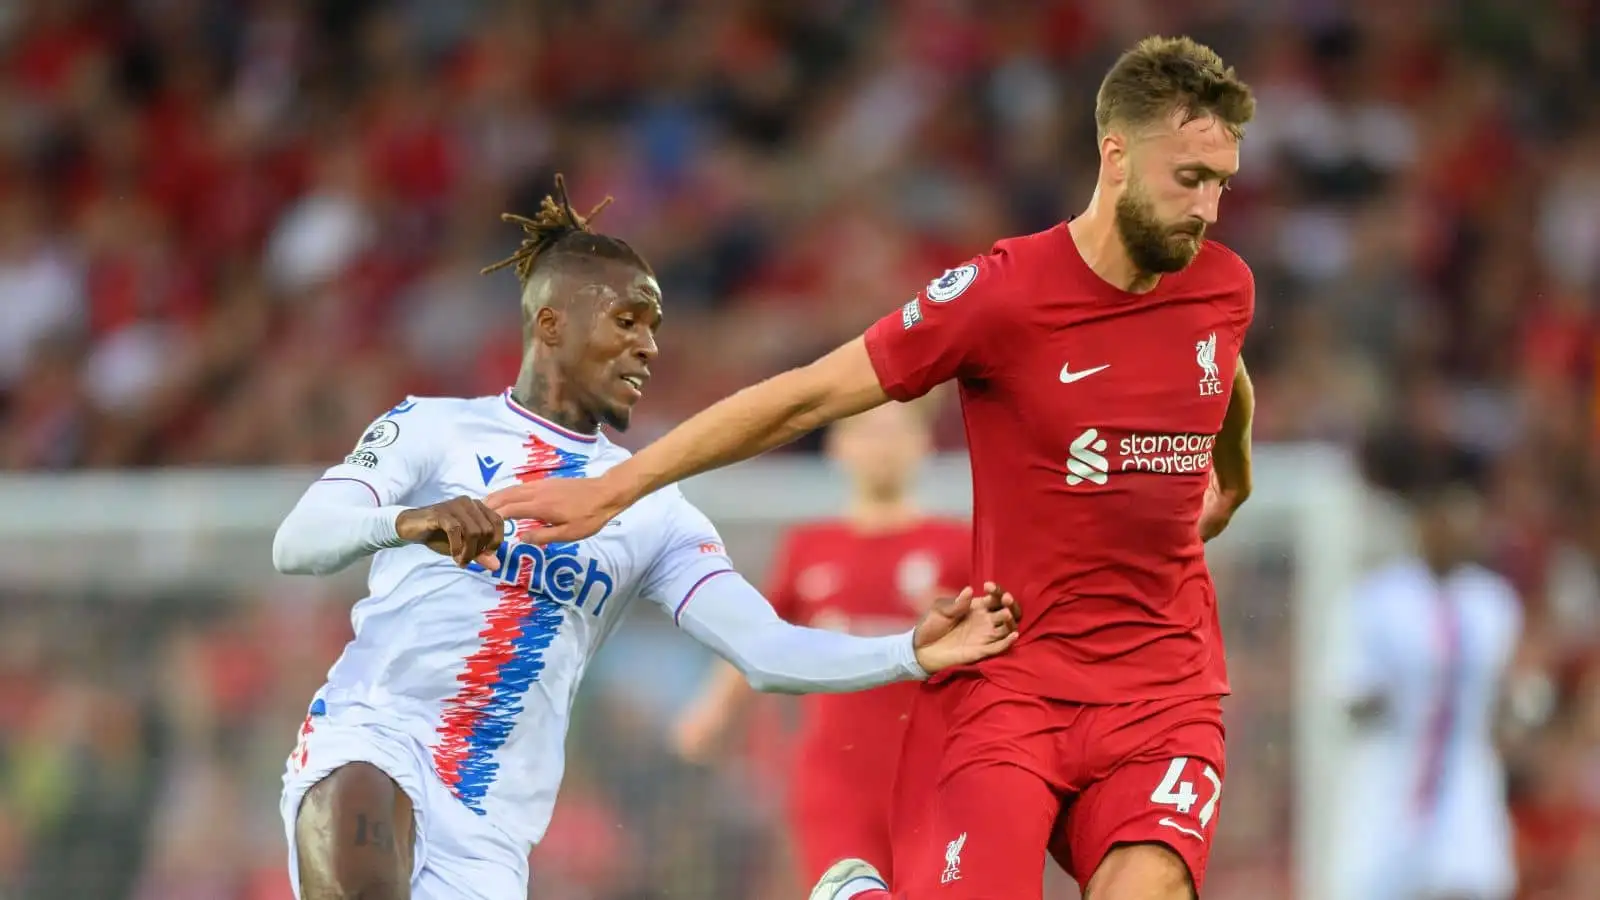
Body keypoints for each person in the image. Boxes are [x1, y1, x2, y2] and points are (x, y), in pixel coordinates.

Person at [485, 35, 1257, 900]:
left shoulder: (1221, 285)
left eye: (1221, 182)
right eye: (1188, 178)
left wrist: (1235, 475)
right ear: (1116, 155)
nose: (1208, 208)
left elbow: (1220, 368)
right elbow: (808, 396)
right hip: (1013, 686)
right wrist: (617, 485)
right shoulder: (1003, 293)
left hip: (1166, 693)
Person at [269, 177, 1021, 900]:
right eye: (627, 321)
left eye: (654, 329)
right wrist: (408, 522)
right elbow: (298, 542)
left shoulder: (656, 512)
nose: (648, 348)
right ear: (551, 323)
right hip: (371, 732)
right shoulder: (431, 427)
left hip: (489, 819)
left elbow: (765, 651)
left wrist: (909, 653)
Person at [671, 399, 970, 887]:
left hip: (935, 778)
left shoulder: (958, 547)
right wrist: (714, 711)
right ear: (840, 447)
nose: (883, 447)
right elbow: (763, 639)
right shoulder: (809, 547)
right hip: (836, 778)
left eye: (896, 433)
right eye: (869, 432)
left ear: (924, 444)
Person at [1335, 478, 1522, 900]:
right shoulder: (1379, 597)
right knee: (1376, 881)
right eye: (1443, 521)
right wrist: (1398, 695)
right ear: (1422, 526)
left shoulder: (1493, 602)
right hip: (1395, 765)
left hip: (1463, 763)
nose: (1454, 533)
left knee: (1470, 879)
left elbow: (1504, 694)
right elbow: (1351, 695)